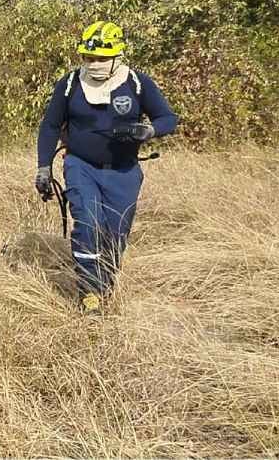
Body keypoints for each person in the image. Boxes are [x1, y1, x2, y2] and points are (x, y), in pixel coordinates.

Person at [34, 21, 178, 313]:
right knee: (88, 225)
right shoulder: (70, 84)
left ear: (117, 55)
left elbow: (168, 118)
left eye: (101, 58)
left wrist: (149, 131)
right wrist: (43, 167)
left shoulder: (137, 83)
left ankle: (105, 286)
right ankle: (89, 294)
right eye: (88, 58)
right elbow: (50, 126)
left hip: (124, 172)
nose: (94, 64)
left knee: (115, 235)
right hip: (80, 166)